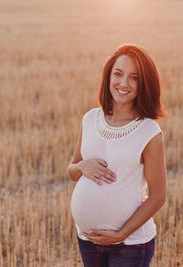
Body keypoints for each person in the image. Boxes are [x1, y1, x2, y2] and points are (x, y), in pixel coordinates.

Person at [67, 43, 167, 267]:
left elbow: (158, 195)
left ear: (144, 85)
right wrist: (82, 166)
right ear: (108, 76)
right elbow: (72, 170)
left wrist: (121, 234)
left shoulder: (148, 132)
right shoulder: (90, 119)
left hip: (130, 245)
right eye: (118, 74)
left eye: (134, 78)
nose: (124, 83)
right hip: (88, 238)